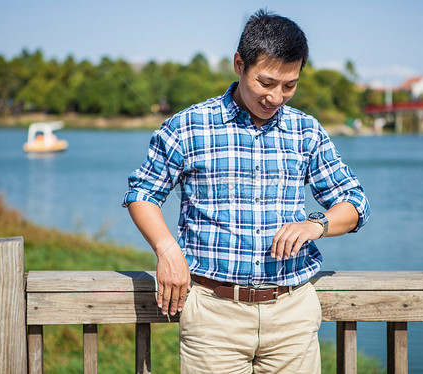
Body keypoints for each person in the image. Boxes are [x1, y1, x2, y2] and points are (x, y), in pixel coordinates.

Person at [123, 9, 369, 373]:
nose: (277, 97)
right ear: (239, 64)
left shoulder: (307, 131)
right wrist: (167, 249)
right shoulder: (187, 126)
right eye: (266, 83)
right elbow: (142, 192)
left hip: (293, 314)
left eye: (290, 85)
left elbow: (355, 203)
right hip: (212, 316)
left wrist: (315, 224)